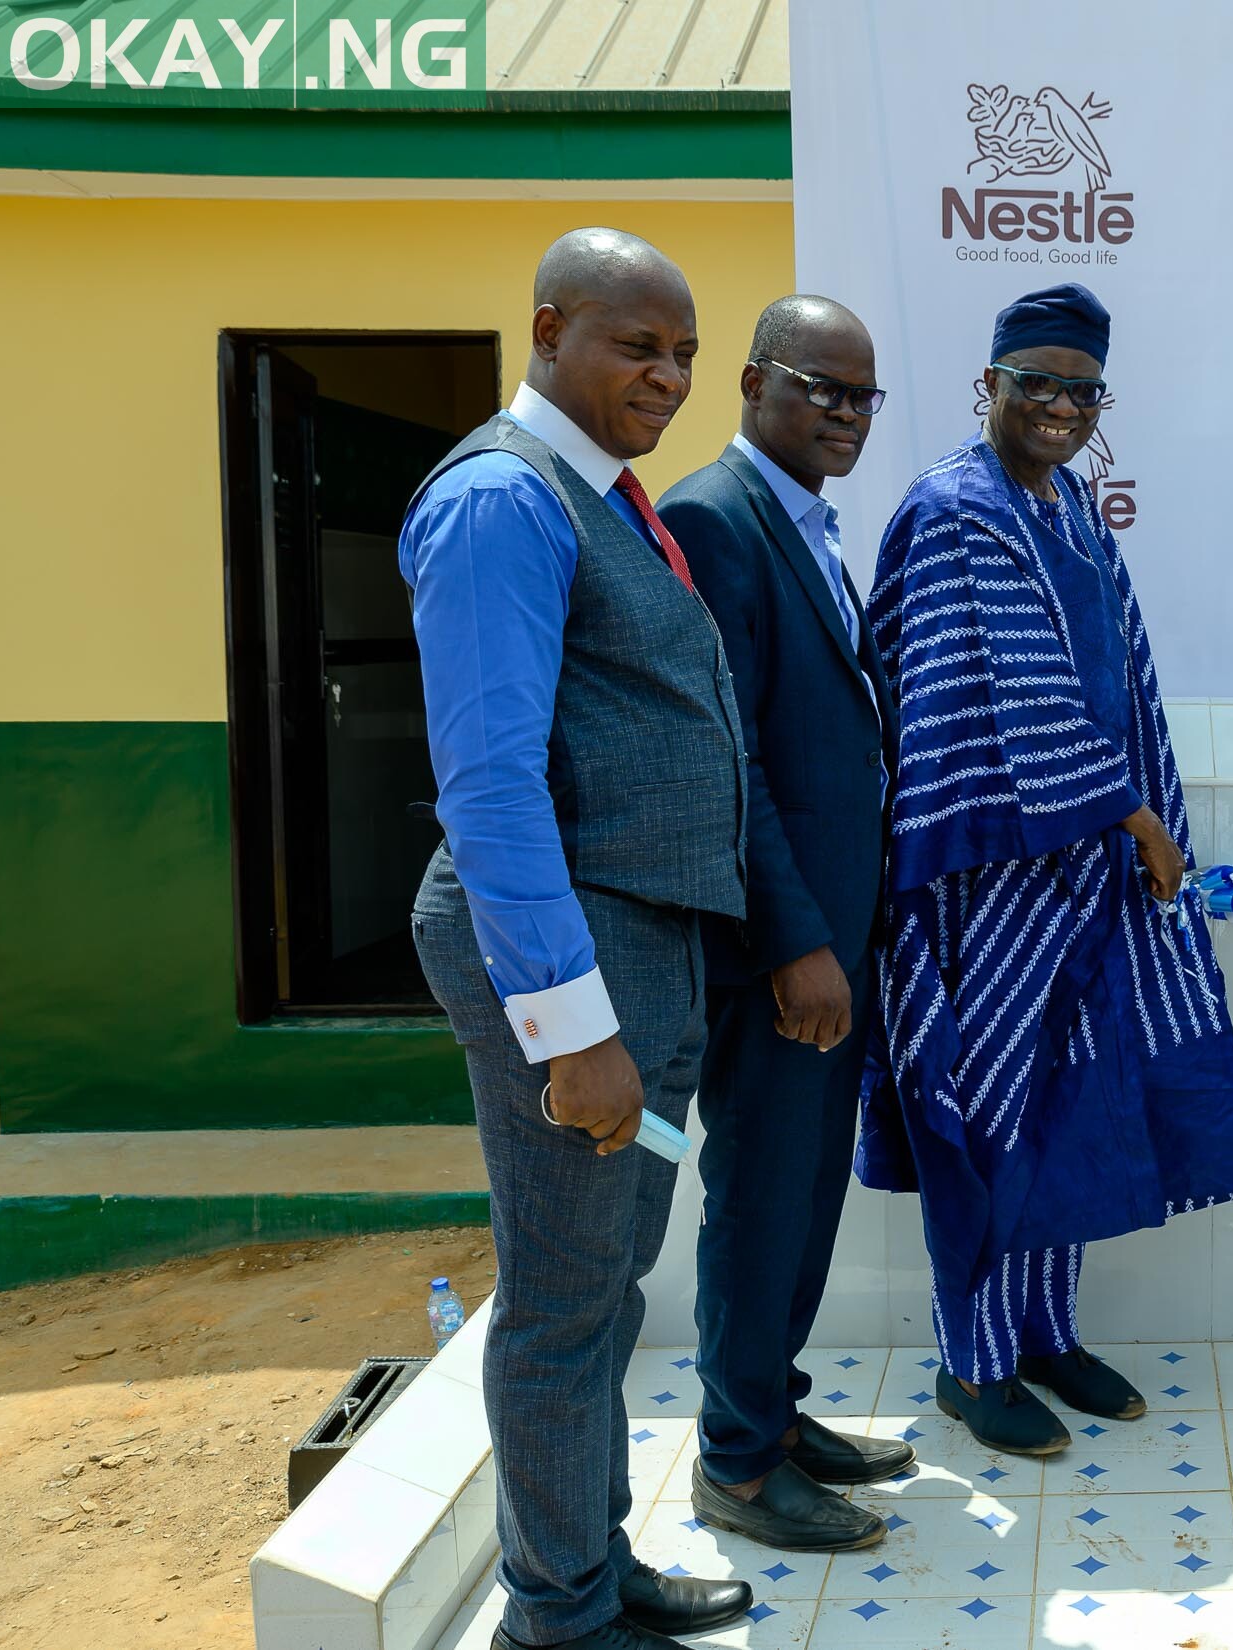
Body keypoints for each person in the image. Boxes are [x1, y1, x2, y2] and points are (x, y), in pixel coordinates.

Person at [402, 229, 753, 1650]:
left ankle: (587, 1561)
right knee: (560, 1302)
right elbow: (488, 787)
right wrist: (575, 1026)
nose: (667, 376)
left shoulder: (602, 496)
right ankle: (556, 1614)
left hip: (639, 947)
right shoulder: (502, 498)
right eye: (635, 345)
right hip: (573, 967)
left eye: (681, 351)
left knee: (606, 1287)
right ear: (549, 329)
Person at [858, 283, 1233, 1455]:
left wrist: (1146, 818)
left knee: (1068, 1105)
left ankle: (1043, 1334)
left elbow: (1125, 672)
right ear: (985, 385)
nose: (1056, 405)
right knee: (985, 1112)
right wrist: (1140, 823)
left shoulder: (1073, 506)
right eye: (1032, 381)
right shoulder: (955, 509)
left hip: (1079, 872)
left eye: (1079, 388)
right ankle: (970, 1362)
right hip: (983, 875)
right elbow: (1009, 703)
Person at [656, 295, 911, 1554]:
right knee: (761, 1197)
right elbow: (730, 758)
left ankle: (774, 1408)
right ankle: (737, 1468)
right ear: (754, 382)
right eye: (824, 390)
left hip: (836, 938)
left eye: (864, 397)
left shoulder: (804, 522)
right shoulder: (715, 516)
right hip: (782, 954)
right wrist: (793, 942)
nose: (848, 416)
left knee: (807, 1196)